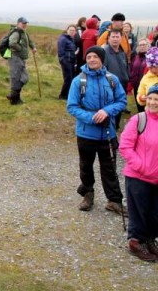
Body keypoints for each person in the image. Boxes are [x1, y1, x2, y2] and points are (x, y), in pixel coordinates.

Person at [67, 46, 128, 215]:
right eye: (89, 57)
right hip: (86, 133)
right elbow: (71, 107)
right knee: (86, 166)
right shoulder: (79, 81)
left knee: (109, 167)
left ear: (102, 59)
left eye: (95, 57)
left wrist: (107, 111)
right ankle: (88, 195)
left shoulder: (112, 79)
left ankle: (114, 201)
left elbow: (122, 101)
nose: (92, 59)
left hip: (108, 132)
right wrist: (92, 117)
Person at [118, 83, 158, 262]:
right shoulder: (138, 120)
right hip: (138, 176)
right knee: (138, 212)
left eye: (156, 99)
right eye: (150, 98)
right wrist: (140, 166)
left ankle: (149, 239)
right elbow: (125, 146)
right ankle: (135, 242)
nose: (152, 102)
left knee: (154, 212)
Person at [102, 29, 129, 130]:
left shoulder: (123, 53)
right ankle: (109, 127)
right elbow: (102, 71)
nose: (115, 39)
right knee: (111, 107)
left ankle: (116, 126)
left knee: (119, 106)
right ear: (108, 38)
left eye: (117, 37)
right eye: (113, 37)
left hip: (123, 85)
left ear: (121, 38)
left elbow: (126, 68)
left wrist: (127, 78)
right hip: (110, 86)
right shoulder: (104, 52)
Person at [6, 17, 36, 105]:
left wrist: (33, 47)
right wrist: (20, 48)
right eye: (23, 23)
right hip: (15, 58)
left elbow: (30, 41)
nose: (25, 25)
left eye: (26, 23)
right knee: (16, 78)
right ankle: (15, 99)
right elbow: (11, 43)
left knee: (24, 78)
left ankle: (13, 96)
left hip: (21, 58)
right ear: (18, 23)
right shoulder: (16, 32)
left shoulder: (24, 33)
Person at [57, 24, 77, 100]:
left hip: (71, 61)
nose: (72, 32)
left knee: (70, 78)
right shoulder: (63, 39)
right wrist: (63, 61)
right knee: (68, 79)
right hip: (66, 61)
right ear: (67, 30)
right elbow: (60, 51)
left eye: (74, 31)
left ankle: (67, 95)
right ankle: (62, 96)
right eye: (70, 30)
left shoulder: (71, 39)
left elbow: (70, 50)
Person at [130, 39, 150, 112]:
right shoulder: (135, 57)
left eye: (144, 45)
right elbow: (131, 69)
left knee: (148, 107)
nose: (142, 46)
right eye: (140, 45)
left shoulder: (151, 57)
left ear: (148, 46)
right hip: (137, 86)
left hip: (147, 86)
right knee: (139, 104)